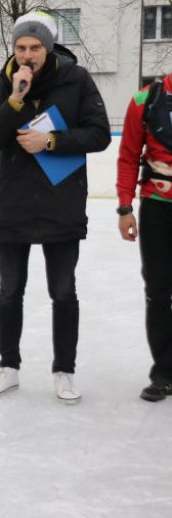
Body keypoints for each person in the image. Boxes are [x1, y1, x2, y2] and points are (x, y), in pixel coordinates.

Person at [0, 11, 111, 404]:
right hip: (14, 202)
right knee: (10, 291)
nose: (27, 56)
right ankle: (9, 367)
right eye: (20, 48)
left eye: (35, 48)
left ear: (48, 48)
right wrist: (16, 99)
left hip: (61, 202)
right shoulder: (2, 86)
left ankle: (64, 371)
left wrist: (51, 141)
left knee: (63, 291)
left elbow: (100, 134)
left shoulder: (77, 80)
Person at [116, 70, 172, 402]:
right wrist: (125, 208)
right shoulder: (144, 99)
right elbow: (128, 156)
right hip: (157, 207)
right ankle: (164, 373)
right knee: (159, 290)